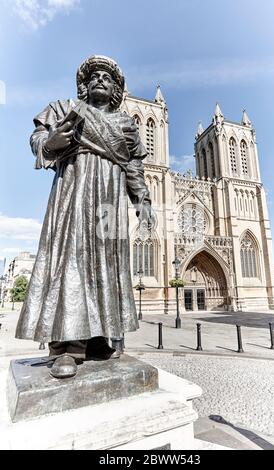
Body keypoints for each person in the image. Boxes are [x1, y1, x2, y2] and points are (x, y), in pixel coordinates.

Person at [16, 55, 152, 378]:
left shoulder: (126, 126)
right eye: (95, 76)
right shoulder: (67, 110)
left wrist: (143, 199)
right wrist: (50, 142)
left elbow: (134, 165)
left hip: (110, 202)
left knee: (107, 265)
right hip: (75, 193)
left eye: (107, 77)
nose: (101, 79)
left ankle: (97, 338)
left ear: (117, 89)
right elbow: (36, 138)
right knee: (74, 259)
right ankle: (67, 345)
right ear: (85, 85)